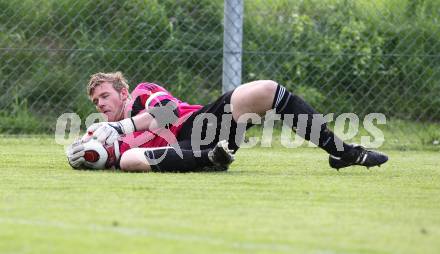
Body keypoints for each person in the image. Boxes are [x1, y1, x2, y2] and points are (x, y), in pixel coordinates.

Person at [66, 72, 388, 172]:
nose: (100, 104)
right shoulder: (104, 132)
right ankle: (213, 159)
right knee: (130, 160)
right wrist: (85, 153)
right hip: (193, 150)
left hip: (201, 125)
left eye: (105, 96)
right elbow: (100, 156)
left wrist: (121, 127)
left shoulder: (141, 94)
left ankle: (344, 152)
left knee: (264, 91)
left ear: (121, 92)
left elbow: (170, 113)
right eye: (95, 102)